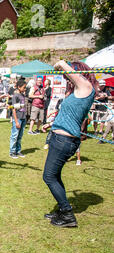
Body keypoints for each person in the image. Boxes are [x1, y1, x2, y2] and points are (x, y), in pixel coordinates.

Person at [42, 60, 98, 228]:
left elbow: (74, 75)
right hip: (59, 137)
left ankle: (67, 214)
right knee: (55, 176)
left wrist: (62, 64)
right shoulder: (76, 93)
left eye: (71, 74)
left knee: (49, 176)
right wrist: (52, 124)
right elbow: (70, 115)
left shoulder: (86, 88)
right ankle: (62, 209)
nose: (68, 79)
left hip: (64, 141)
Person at [9, 79, 27, 158]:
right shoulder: (15, 96)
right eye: (24, 87)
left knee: (20, 136)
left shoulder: (22, 95)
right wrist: (16, 121)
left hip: (23, 118)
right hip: (18, 118)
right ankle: (12, 152)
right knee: (14, 136)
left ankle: (18, 151)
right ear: (19, 87)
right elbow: (13, 109)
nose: (25, 89)